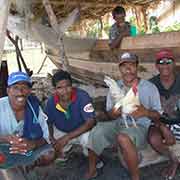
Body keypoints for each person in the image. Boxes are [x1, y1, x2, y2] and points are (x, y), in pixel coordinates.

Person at [86, 52, 162, 180]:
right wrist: (113, 113)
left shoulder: (149, 88)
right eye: (124, 66)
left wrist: (146, 112)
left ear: (137, 67)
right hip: (118, 123)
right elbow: (109, 114)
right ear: (119, 69)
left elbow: (158, 115)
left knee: (123, 137)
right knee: (96, 131)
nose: (128, 70)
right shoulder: (115, 86)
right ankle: (92, 169)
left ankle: (135, 177)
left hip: (139, 126)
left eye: (131, 65)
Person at [45, 70, 96, 176]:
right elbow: (48, 122)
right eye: (60, 88)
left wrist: (67, 137)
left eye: (68, 86)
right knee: (47, 144)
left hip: (82, 130)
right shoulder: (50, 102)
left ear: (72, 85)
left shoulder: (82, 96)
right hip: (61, 131)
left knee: (92, 139)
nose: (65, 91)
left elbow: (90, 122)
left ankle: (93, 168)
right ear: (55, 89)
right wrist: (51, 136)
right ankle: (64, 153)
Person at [0, 71, 49, 179]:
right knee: (9, 170)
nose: (21, 92)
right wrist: (6, 138)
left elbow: (46, 137)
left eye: (24, 87)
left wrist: (33, 144)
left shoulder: (35, 108)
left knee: (49, 153)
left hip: (27, 149)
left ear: (30, 90)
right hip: (3, 148)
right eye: (16, 87)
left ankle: (28, 167)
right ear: (8, 91)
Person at [149, 49, 180, 180]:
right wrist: (162, 127)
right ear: (157, 66)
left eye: (169, 61)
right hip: (159, 122)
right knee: (153, 138)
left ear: (174, 64)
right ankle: (173, 160)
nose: (165, 65)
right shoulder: (150, 84)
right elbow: (147, 110)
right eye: (161, 62)